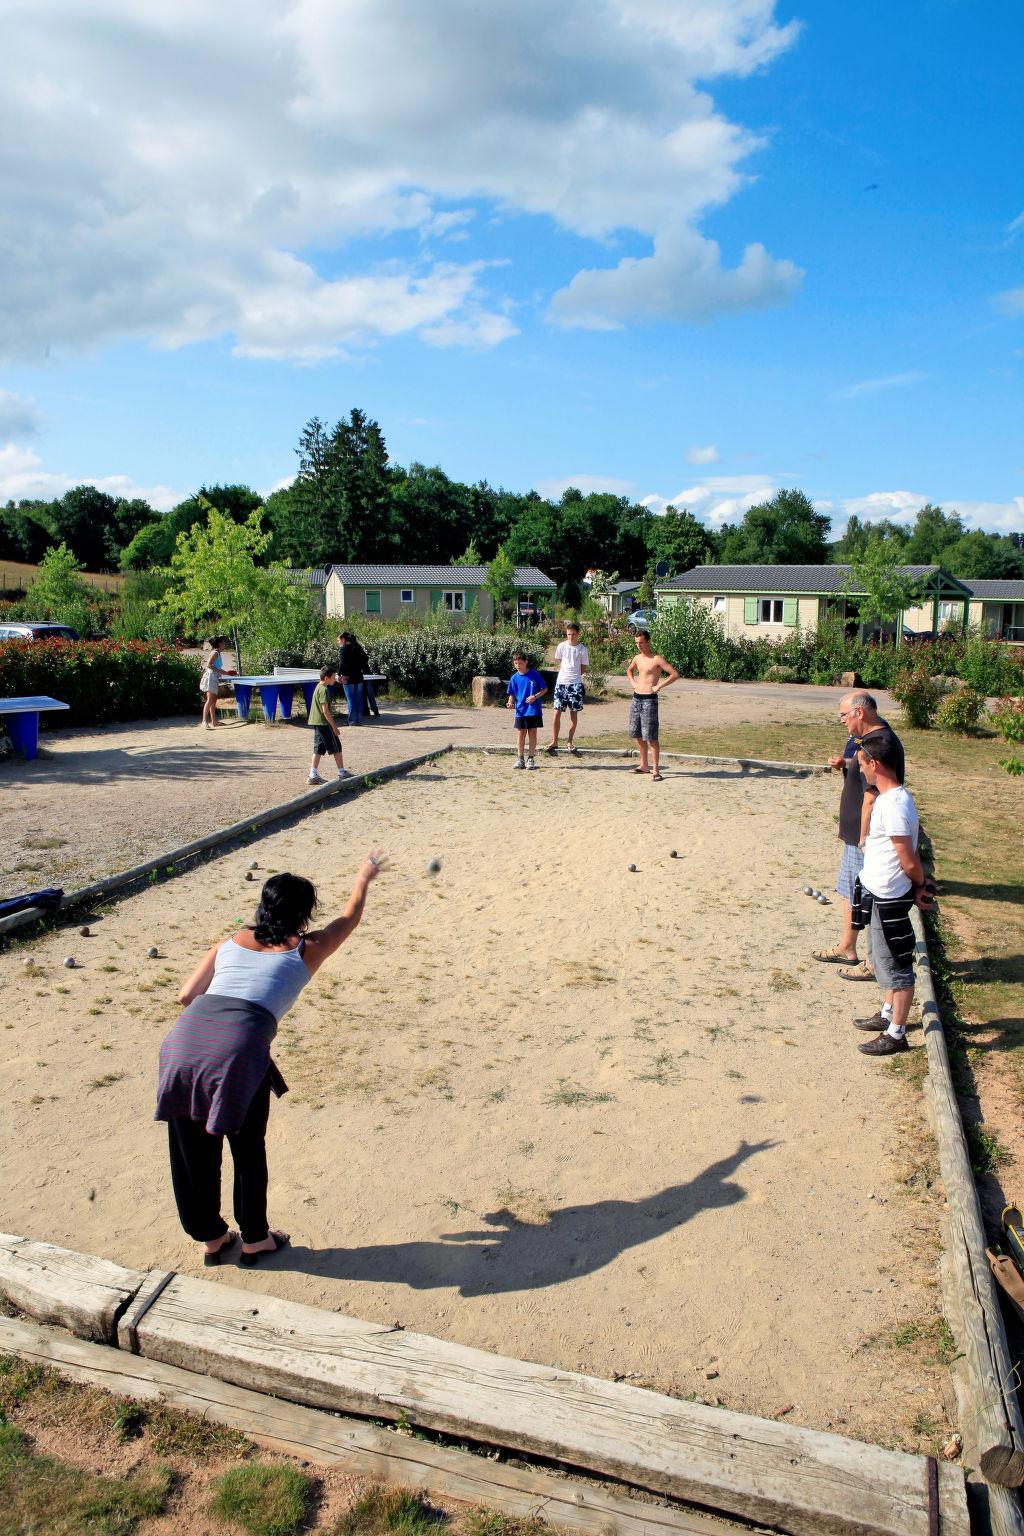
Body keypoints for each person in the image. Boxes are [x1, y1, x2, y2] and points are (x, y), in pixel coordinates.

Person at [156, 858, 383, 1265]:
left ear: (263, 907)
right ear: (304, 914)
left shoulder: (230, 940)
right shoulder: (306, 950)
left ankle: (211, 1239)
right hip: (238, 1052)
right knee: (246, 1147)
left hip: (183, 1045)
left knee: (191, 1149)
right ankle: (255, 1239)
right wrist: (363, 879)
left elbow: (186, 996)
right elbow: (349, 917)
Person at [851, 737, 935, 1057]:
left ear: (875, 764)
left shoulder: (897, 804)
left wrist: (919, 886)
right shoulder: (887, 798)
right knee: (882, 960)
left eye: (862, 764)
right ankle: (887, 1013)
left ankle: (897, 1033)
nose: (861, 770)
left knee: (897, 967)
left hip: (890, 897)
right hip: (878, 890)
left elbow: (909, 858)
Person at [816, 691, 905, 975]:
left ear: (859, 713)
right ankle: (847, 947)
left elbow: (873, 795)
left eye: (843, 715)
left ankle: (872, 962)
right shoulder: (865, 740)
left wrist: (865, 837)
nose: (842, 721)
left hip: (866, 835)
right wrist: (846, 764)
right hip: (856, 831)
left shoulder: (880, 743)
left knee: (870, 896)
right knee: (849, 891)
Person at [624, 629, 679, 780]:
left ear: (648, 641)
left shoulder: (656, 659)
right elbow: (629, 671)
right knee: (638, 734)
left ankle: (655, 769)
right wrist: (633, 682)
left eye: (641, 642)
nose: (639, 645)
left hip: (649, 699)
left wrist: (659, 686)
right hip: (636, 698)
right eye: (636, 643)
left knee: (651, 736)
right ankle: (644, 765)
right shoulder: (637, 658)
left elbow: (674, 674)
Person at [545, 621, 589, 755]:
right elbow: (559, 661)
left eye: (573, 634)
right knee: (556, 712)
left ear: (578, 634)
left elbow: (583, 668)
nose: (571, 637)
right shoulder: (561, 646)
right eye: (569, 634)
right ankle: (555, 740)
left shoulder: (582, 649)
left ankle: (570, 741)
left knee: (573, 714)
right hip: (561, 683)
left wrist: (574, 676)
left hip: (575, 684)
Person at [307, 664, 350, 785]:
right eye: (333, 676)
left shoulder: (319, 686)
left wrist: (338, 679)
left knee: (319, 749)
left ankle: (312, 775)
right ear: (326, 678)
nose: (335, 678)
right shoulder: (324, 690)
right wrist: (334, 727)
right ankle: (342, 773)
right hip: (324, 723)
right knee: (336, 747)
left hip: (316, 722)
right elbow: (325, 710)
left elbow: (331, 678)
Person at [506, 651, 546, 769]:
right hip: (520, 711)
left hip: (533, 710)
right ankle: (520, 759)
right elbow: (512, 693)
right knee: (521, 733)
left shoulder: (534, 674)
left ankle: (531, 758)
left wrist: (535, 697)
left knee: (532, 732)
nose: (518, 666)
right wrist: (510, 703)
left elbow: (544, 689)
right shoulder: (514, 678)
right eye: (516, 663)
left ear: (526, 662)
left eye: (520, 663)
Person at [337, 631, 369, 726]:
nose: (338, 642)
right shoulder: (358, 647)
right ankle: (359, 720)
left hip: (347, 677)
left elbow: (342, 663)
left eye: (339, 640)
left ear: (343, 639)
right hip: (359, 676)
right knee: (358, 698)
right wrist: (361, 668)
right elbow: (366, 658)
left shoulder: (344, 649)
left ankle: (351, 720)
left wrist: (339, 675)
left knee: (350, 699)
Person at [199, 636, 227, 731]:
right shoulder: (215, 653)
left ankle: (214, 721)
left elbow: (216, 667)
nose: (225, 644)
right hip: (211, 677)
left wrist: (226, 672)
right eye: (223, 642)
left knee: (213, 700)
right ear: (219, 644)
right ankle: (204, 721)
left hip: (214, 677)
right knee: (210, 700)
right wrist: (220, 671)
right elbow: (209, 665)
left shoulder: (218, 653)